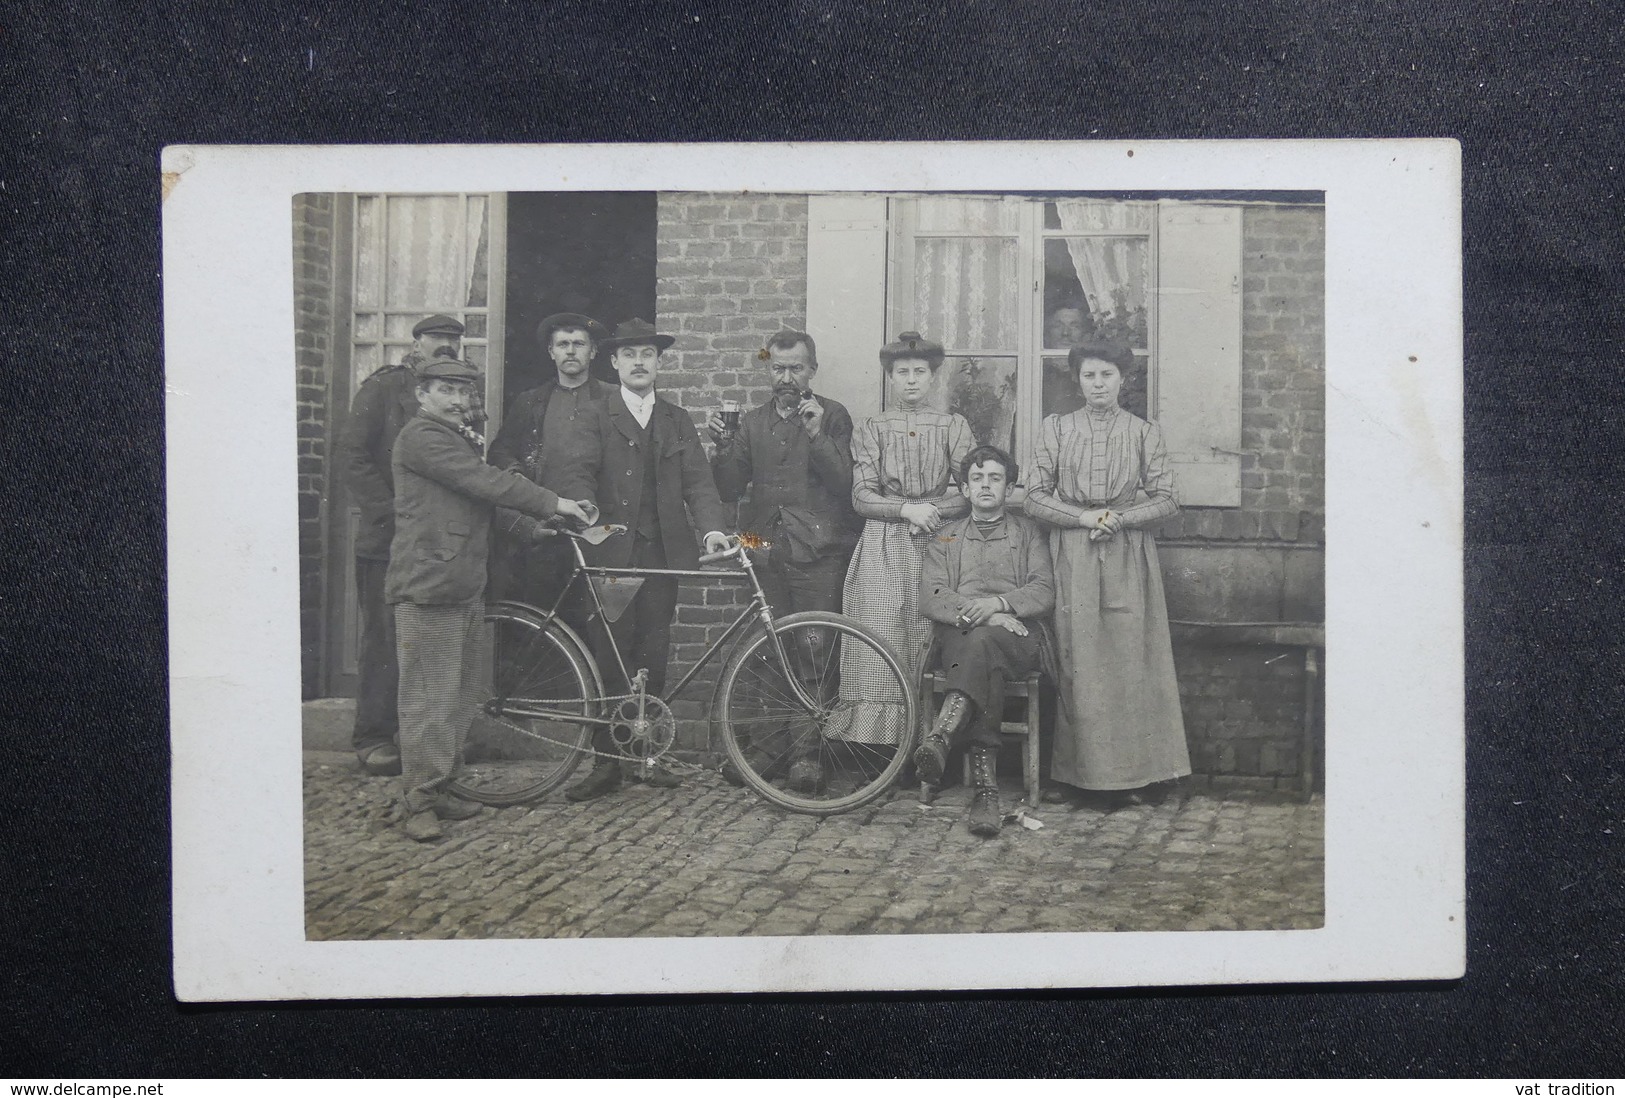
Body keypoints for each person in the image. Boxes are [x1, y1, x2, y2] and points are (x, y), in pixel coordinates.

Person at [385, 358, 595, 842]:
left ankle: (443, 786)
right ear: (423, 395)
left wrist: (531, 528)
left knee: (458, 698)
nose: (458, 401)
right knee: (428, 700)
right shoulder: (423, 437)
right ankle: (417, 797)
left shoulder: (453, 439)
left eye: (464, 392)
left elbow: (481, 502)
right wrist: (554, 502)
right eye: (446, 391)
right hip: (429, 585)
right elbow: (485, 482)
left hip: (462, 583)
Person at [553, 318, 733, 802]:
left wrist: (713, 529)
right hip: (609, 553)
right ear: (613, 362)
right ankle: (606, 763)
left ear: (659, 363)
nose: (638, 362)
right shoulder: (594, 414)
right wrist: (584, 507)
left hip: (661, 557)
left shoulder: (676, 419)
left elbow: (699, 482)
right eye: (629, 354)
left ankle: (647, 756)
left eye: (647, 354)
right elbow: (576, 472)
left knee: (653, 656)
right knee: (611, 657)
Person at [1023, 338, 1191, 806]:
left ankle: (1139, 776)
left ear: (1123, 379)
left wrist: (1119, 518)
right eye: (1089, 375)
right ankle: (1077, 778)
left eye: (1107, 375)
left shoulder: (1143, 432)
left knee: (1130, 660)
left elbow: (1169, 497)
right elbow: (1034, 495)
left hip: (1126, 554)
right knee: (1079, 661)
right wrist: (1083, 518)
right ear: (1077, 380)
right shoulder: (1056, 429)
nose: (1098, 384)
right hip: (1073, 551)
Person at [707, 329, 859, 787]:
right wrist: (722, 446)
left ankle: (806, 757)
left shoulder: (832, 416)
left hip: (818, 551)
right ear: (767, 369)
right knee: (767, 650)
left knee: (815, 650)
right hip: (763, 548)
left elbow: (846, 487)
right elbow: (731, 488)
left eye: (796, 368)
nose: (786, 377)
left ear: (813, 369)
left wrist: (815, 434)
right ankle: (767, 753)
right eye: (778, 367)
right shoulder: (752, 422)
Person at [335, 313, 465, 777]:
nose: (445, 345)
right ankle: (372, 737)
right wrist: (390, 512)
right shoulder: (385, 389)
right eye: (437, 339)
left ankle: (414, 743)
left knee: (421, 643)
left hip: (430, 541)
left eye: (453, 339)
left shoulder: (453, 396)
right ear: (417, 343)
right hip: (386, 537)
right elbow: (351, 454)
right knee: (384, 638)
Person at [836, 331, 974, 751]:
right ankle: (878, 747)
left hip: (938, 541)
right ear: (890, 377)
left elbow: (968, 488)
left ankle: (929, 743)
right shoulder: (872, 427)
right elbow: (861, 494)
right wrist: (903, 510)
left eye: (919, 372)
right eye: (901, 373)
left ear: (933, 377)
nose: (911, 380)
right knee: (882, 632)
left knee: (927, 633)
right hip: (883, 544)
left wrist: (931, 509)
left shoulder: (953, 426)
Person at [915, 445, 1054, 837]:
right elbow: (932, 594)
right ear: (963, 488)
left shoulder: (1028, 534)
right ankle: (986, 793)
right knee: (980, 647)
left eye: (995, 478)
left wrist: (1000, 603)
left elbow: (1043, 590)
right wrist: (985, 614)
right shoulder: (946, 536)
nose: (986, 485)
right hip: (966, 637)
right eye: (977, 479)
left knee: (984, 645)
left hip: (1019, 640)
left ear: (1009, 488)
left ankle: (943, 734)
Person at [486, 312, 612, 615]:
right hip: (546, 527)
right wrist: (521, 480)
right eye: (563, 344)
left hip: (600, 528)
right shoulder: (531, 401)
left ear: (593, 351)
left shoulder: (614, 399)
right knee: (544, 617)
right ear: (551, 352)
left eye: (579, 344)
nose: (571, 351)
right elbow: (500, 452)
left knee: (600, 623)